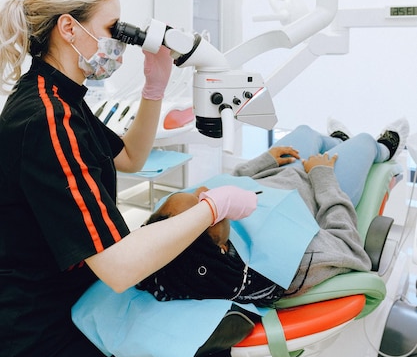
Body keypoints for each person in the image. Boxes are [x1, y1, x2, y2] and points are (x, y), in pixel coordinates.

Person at [0, 0, 256, 357]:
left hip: (81, 296)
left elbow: (131, 157)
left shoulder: (63, 96)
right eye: (114, 29)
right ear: (69, 29)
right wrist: (213, 207)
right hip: (41, 329)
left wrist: (154, 89)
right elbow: (118, 268)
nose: (120, 43)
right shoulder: (48, 116)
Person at [139, 119, 409, 306]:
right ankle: (385, 148)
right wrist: (323, 175)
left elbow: (227, 183)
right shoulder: (287, 263)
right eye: (206, 202)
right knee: (364, 141)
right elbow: (348, 247)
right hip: (320, 184)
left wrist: (263, 161)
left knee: (304, 132)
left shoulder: (200, 229)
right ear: (220, 247)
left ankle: (337, 142)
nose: (206, 190)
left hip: (278, 171)